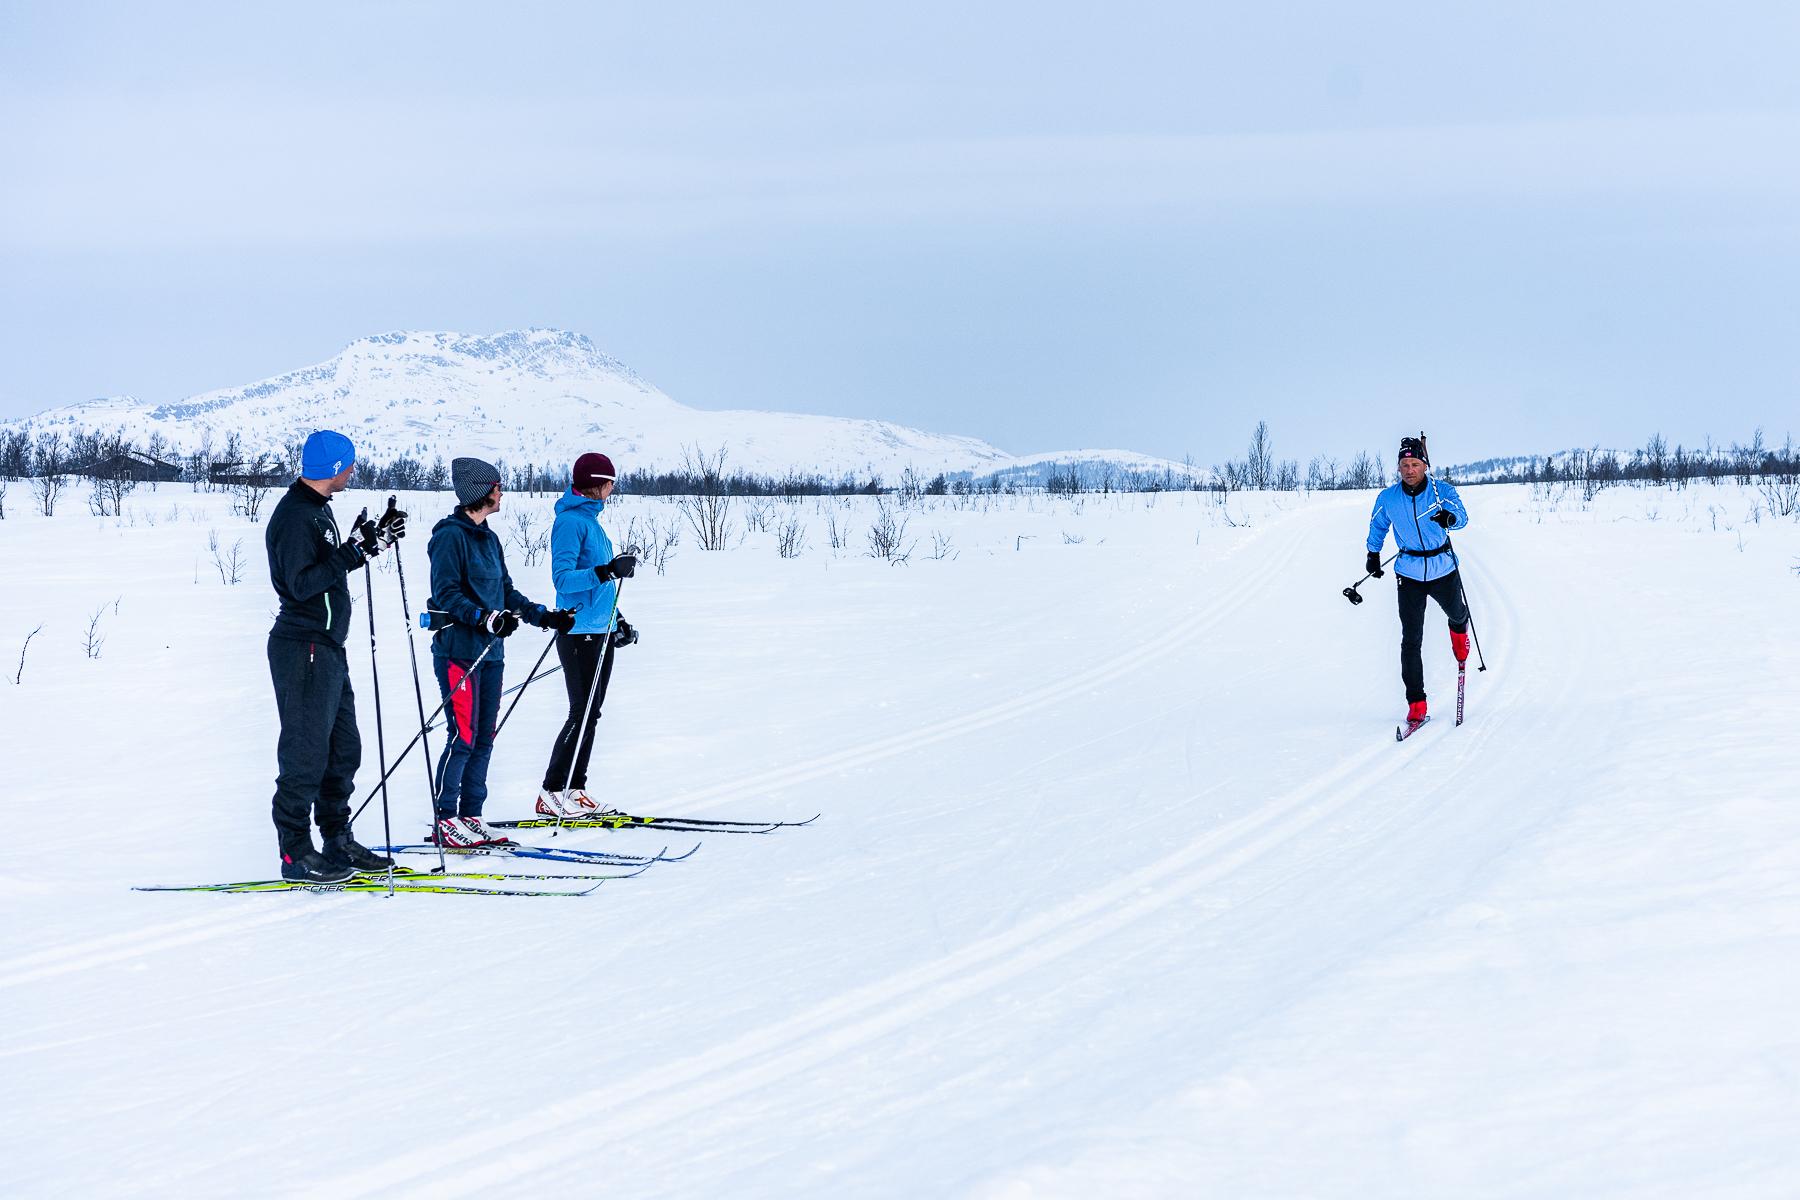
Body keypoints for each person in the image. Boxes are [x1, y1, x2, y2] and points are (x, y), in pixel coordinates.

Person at [264, 429, 401, 882]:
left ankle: (337, 840)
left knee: (344, 749)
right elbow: (302, 583)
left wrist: (367, 543)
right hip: (302, 645)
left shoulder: (319, 511)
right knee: (305, 754)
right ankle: (295, 852)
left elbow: (329, 565)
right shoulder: (295, 517)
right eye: (349, 464)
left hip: (326, 647)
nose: (353, 471)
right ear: (332, 468)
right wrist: (351, 553)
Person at [425, 456, 574, 847]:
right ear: (481, 492)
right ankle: (446, 818)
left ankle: (472, 815)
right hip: (459, 651)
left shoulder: (489, 538)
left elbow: (506, 592)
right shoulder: (448, 536)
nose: (501, 492)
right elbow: (446, 594)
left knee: (486, 736)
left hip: (491, 654)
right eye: (496, 486)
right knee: (463, 735)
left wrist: (543, 616)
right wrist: (485, 618)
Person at [535, 452, 640, 819]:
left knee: (591, 712)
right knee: (580, 711)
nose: (612, 488)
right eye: (609, 482)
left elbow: (600, 584)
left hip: (599, 629)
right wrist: (607, 569)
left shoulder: (592, 523)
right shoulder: (570, 523)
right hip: (577, 631)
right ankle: (551, 790)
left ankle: (575, 789)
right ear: (596, 484)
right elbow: (563, 580)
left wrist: (618, 620)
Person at [1364, 436, 1471, 724]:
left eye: (1414, 464)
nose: (1409, 470)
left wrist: (1448, 518)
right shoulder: (1388, 498)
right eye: (1404, 465)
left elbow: (1462, 517)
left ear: (1424, 465)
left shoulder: (1441, 491)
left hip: (1443, 568)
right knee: (1411, 640)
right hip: (1409, 572)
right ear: (1398, 468)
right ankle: (1416, 703)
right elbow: (1378, 525)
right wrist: (1373, 554)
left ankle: (1460, 640)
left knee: (1457, 614)